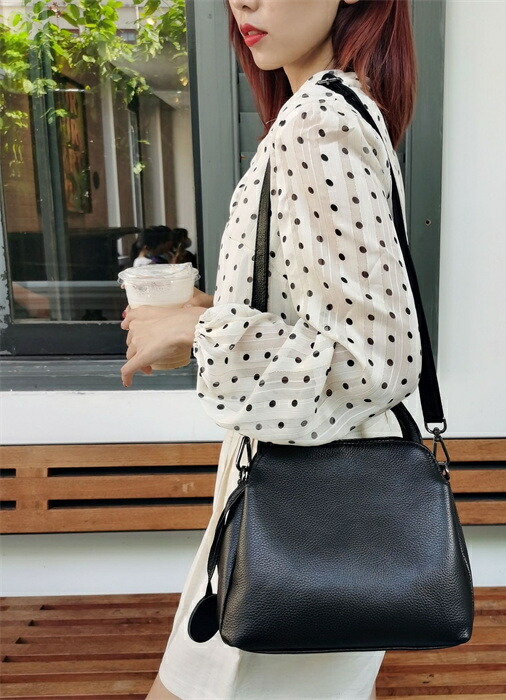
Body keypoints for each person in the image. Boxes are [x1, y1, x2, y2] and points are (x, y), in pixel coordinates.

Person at [120, 0, 420, 697]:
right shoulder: (344, 108)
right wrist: (204, 312)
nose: (243, 1)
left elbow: (380, 356)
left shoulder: (315, 122)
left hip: (303, 522)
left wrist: (198, 332)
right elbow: (325, 321)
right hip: (310, 517)